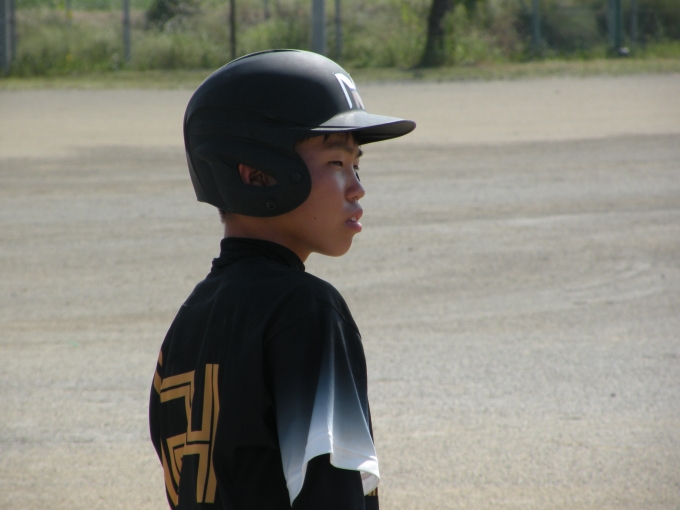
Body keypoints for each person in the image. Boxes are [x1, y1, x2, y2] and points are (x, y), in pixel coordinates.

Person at [149, 49, 415, 510]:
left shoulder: (189, 320)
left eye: (357, 165)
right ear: (258, 175)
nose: (357, 187)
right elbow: (331, 495)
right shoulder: (305, 310)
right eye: (336, 163)